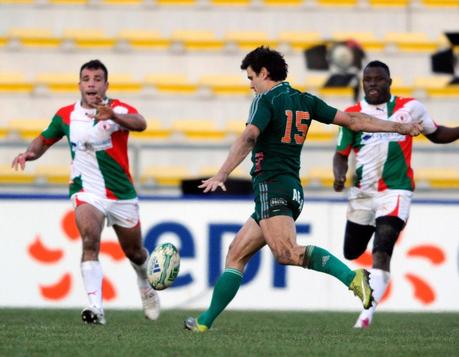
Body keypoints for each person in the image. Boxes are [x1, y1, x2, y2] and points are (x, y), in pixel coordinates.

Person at [184, 47, 422, 333]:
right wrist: (399, 127)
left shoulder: (265, 99)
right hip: (290, 188)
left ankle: (351, 278)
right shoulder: (305, 100)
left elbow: (250, 136)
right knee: (236, 253)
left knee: (286, 253)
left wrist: (222, 173)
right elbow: (354, 121)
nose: (250, 84)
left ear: (264, 73)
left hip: (271, 185)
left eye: (251, 77)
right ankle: (203, 323)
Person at [11, 59, 160, 325]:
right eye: (87, 79)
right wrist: (28, 154)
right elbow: (45, 138)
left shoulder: (118, 109)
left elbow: (141, 123)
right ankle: (96, 309)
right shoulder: (66, 115)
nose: (92, 83)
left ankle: (144, 284)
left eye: (97, 79)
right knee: (90, 239)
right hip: (86, 191)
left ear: (106, 84)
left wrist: (113, 116)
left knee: (135, 252)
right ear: (79, 84)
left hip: (121, 195)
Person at [333, 60, 459, 328]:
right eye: (368, 80)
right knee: (351, 251)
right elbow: (341, 154)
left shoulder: (410, 108)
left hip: (396, 191)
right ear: (363, 83)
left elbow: (436, 134)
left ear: (389, 82)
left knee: (382, 249)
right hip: (363, 194)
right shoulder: (352, 114)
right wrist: (339, 174)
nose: (373, 84)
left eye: (379, 79)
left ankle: (365, 316)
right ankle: (372, 287)